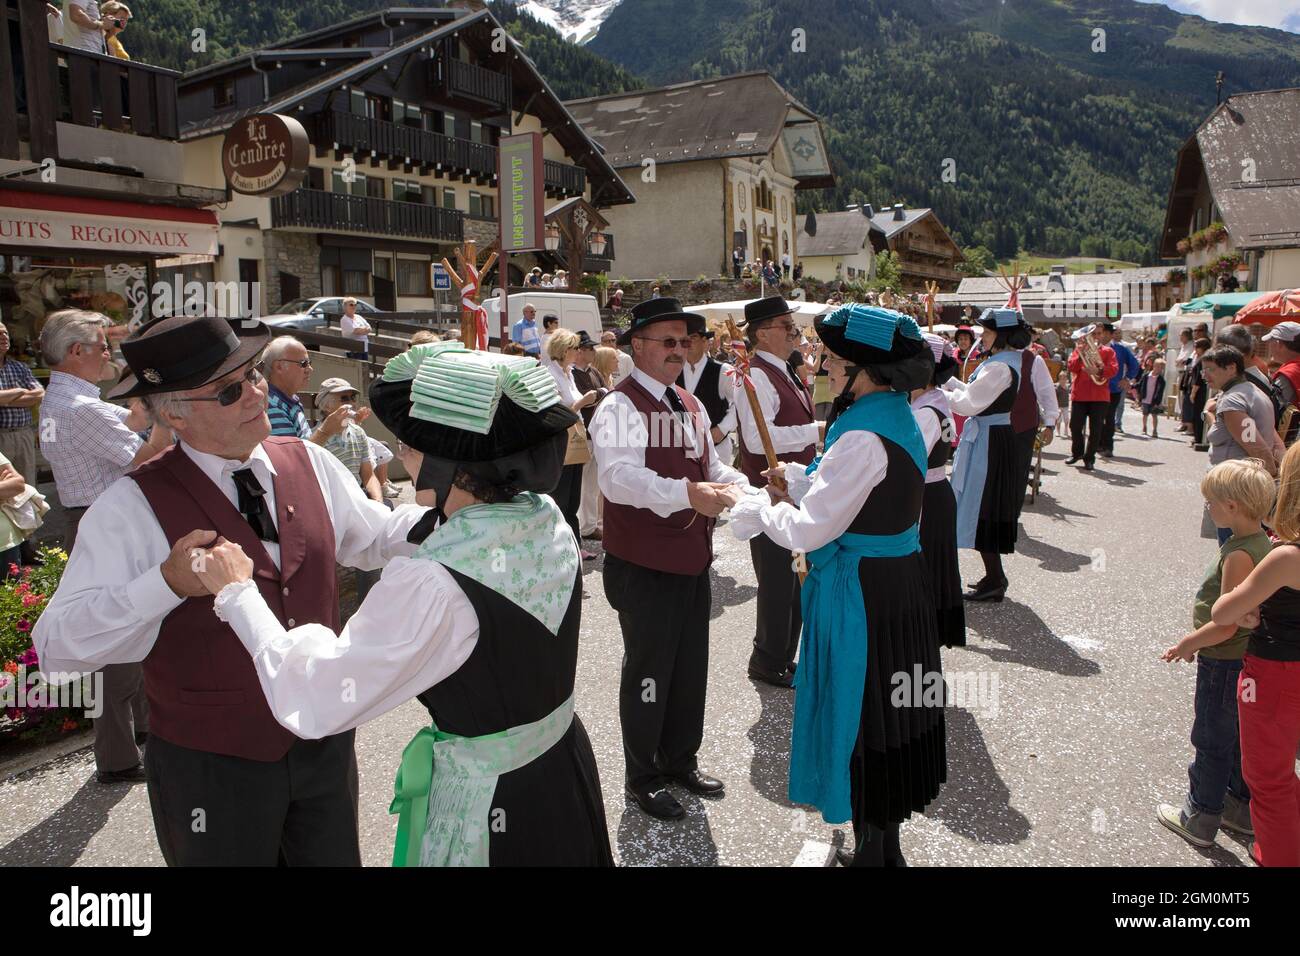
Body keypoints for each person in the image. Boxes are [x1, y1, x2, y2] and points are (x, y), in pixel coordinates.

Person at [188, 340, 614, 866]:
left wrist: (236, 594)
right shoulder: (544, 516)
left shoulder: (434, 582)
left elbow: (319, 696)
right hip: (559, 766)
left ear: (447, 462)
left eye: (412, 443)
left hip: (488, 802)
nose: (403, 452)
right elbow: (441, 540)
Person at [33, 314, 429, 865]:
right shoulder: (130, 505)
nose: (255, 394)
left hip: (322, 746)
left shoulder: (308, 461)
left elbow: (375, 533)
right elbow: (57, 648)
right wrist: (165, 584)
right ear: (172, 413)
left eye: (255, 376)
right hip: (210, 768)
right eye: (228, 391)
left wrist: (459, 522)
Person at [729, 304, 944, 866]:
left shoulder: (862, 436)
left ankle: (876, 855)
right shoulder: (897, 413)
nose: (821, 364)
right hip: (896, 586)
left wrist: (757, 504)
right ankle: (883, 845)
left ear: (864, 371)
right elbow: (854, 490)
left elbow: (810, 528)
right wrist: (800, 478)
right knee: (889, 712)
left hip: (864, 594)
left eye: (833, 358)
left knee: (865, 712)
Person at [589, 297, 754, 820]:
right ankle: (643, 775)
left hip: (691, 557)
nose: (679, 350)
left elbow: (713, 465)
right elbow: (618, 479)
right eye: (667, 341)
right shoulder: (620, 405)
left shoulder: (691, 402)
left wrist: (749, 487)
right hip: (643, 563)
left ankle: (680, 759)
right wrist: (689, 493)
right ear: (637, 346)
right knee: (649, 671)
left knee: (688, 668)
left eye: (685, 342)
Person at [38, 309, 172, 784]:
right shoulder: (83, 409)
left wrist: (144, 401)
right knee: (117, 641)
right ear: (77, 352)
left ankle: (133, 739)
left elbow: (128, 418)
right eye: (101, 346)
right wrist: (164, 412)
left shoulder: (61, 401)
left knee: (120, 629)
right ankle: (118, 756)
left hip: (90, 521)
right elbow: (147, 454)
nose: (107, 354)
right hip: (106, 523)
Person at [1157, 459, 1272, 849]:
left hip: (1222, 659)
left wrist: (1190, 643)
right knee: (1238, 737)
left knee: (1211, 738)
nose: (1208, 507)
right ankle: (1239, 809)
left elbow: (1228, 620)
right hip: (1242, 661)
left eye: (1212, 501)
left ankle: (1200, 815)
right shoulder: (1262, 543)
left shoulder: (1238, 553)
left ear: (1233, 506)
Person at [1210, 441, 1300, 867]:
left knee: (1268, 776)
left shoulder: (1288, 556)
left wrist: (1244, 611)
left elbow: (1225, 609)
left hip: (1275, 674)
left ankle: (1280, 855)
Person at [734, 296, 824, 688]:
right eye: (787, 326)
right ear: (763, 333)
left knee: (797, 575)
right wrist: (816, 432)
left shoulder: (785, 370)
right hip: (771, 495)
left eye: (793, 325)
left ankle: (785, 654)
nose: (795, 333)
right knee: (777, 581)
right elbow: (757, 440)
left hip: (796, 491)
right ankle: (767, 659)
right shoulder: (752, 376)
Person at [940, 308, 1036, 601]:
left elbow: (969, 405)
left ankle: (996, 578)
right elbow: (973, 394)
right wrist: (951, 382)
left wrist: (934, 390)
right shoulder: (1005, 362)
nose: (982, 336)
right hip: (992, 435)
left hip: (990, 439)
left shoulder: (999, 366)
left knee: (984, 505)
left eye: (988, 331)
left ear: (1002, 334)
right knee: (985, 505)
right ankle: (994, 576)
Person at [912, 333, 964, 648]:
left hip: (927, 498)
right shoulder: (936, 401)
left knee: (926, 573)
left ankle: (922, 647)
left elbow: (910, 460)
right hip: (936, 494)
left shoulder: (925, 411)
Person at [1202, 346, 1285, 507]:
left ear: (1231, 368)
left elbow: (1257, 447)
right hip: (1240, 488)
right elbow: (1272, 440)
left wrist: (1272, 482)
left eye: (1210, 369)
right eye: (1203, 370)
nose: (1205, 375)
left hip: (1232, 491)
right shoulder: (1252, 392)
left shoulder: (1232, 401)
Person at [544, 329, 599, 559]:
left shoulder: (568, 373)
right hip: (561, 442)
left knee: (573, 498)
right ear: (564, 350)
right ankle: (560, 548)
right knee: (562, 497)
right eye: (575, 348)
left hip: (575, 440)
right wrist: (584, 402)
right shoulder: (549, 374)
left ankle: (575, 546)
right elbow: (557, 412)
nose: (578, 352)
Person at [677, 327, 737, 467]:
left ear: (705, 342)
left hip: (716, 449)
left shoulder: (723, 371)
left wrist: (722, 428)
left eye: (693, 338)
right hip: (681, 447)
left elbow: (740, 403)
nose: (688, 343)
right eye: (684, 339)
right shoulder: (674, 370)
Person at [570, 331, 609, 542]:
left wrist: (598, 394)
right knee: (581, 482)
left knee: (593, 482)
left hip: (598, 433)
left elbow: (605, 393)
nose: (595, 351)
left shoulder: (594, 372)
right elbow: (589, 398)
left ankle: (589, 525)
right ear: (581, 351)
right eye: (591, 348)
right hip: (581, 434)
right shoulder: (572, 374)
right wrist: (597, 395)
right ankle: (579, 524)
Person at [1064, 324, 1118, 471]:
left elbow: (1114, 369)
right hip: (1080, 394)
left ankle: (1089, 458)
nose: (1095, 337)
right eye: (1093, 334)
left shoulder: (1108, 351)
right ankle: (1077, 453)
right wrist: (1081, 356)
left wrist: (1099, 370)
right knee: (1075, 426)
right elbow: (1071, 367)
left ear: (1102, 336)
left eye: (1098, 334)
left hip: (1099, 396)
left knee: (1096, 430)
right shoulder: (1078, 350)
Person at [0, 320, 44, 489]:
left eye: (5, 333)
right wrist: (20, 391)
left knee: (28, 485)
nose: (4, 337)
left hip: (24, 433)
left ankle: (30, 516)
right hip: (1, 435)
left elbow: (39, 393)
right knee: (6, 486)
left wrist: (5, 399)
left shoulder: (20, 367)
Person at [1095, 323, 1139, 454]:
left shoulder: (1120, 349)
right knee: (1097, 418)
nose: (1098, 336)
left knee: (1109, 417)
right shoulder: (1094, 348)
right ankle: (1098, 444)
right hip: (1096, 388)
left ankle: (1108, 446)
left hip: (1113, 388)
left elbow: (1134, 364)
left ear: (1108, 334)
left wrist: (1127, 379)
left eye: (1100, 333)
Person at [1265, 321, 1300, 446]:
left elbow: (1273, 411)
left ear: (1279, 343)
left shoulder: (1288, 374)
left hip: (1291, 443)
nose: (1269, 346)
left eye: (1271, 341)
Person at [1188, 337, 1211, 449]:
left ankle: (1198, 438)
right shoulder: (1202, 359)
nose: (1195, 349)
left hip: (1200, 392)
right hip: (1202, 391)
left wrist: (1193, 393)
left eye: (1196, 347)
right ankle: (1197, 437)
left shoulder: (1203, 360)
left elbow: (1198, 379)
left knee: (1199, 415)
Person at [1137, 358, 1167, 438]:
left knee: (1154, 415)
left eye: (1161, 368)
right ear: (1153, 366)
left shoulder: (1161, 380)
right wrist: (1133, 386)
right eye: (1157, 366)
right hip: (1145, 398)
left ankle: (1154, 430)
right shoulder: (1146, 376)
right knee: (1145, 414)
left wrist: (1158, 402)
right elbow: (1140, 384)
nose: (1159, 369)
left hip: (1154, 400)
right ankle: (1144, 427)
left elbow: (1160, 392)